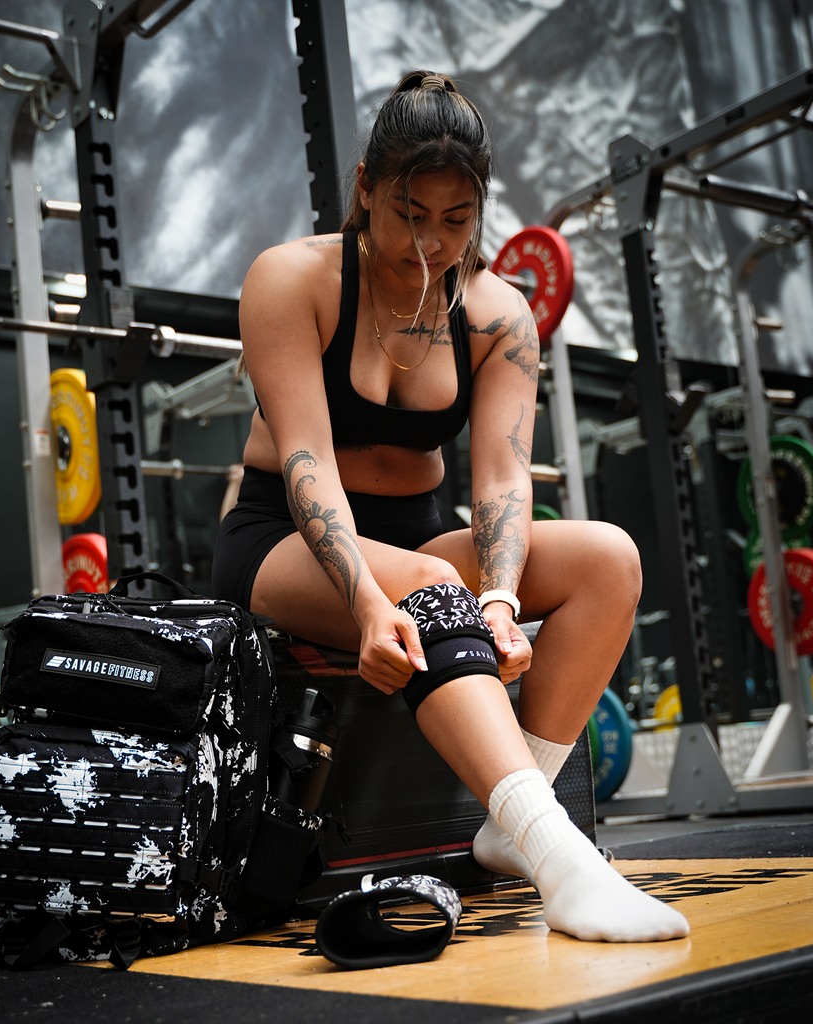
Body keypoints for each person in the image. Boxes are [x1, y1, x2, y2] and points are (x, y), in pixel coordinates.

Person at [213, 71, 689, 943]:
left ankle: (512, 825)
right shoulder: (293, 279)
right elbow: (307, 459)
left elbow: (503, 482)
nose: (428, 244)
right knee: (429, 580)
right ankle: (562, 861)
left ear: (480, 209)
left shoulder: (501, 313)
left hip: (418, 532)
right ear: (364, 187)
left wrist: (502, 599)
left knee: (608, 559)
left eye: (455, 220)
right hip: (285, 534)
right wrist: (365, 601)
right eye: (407, 213)